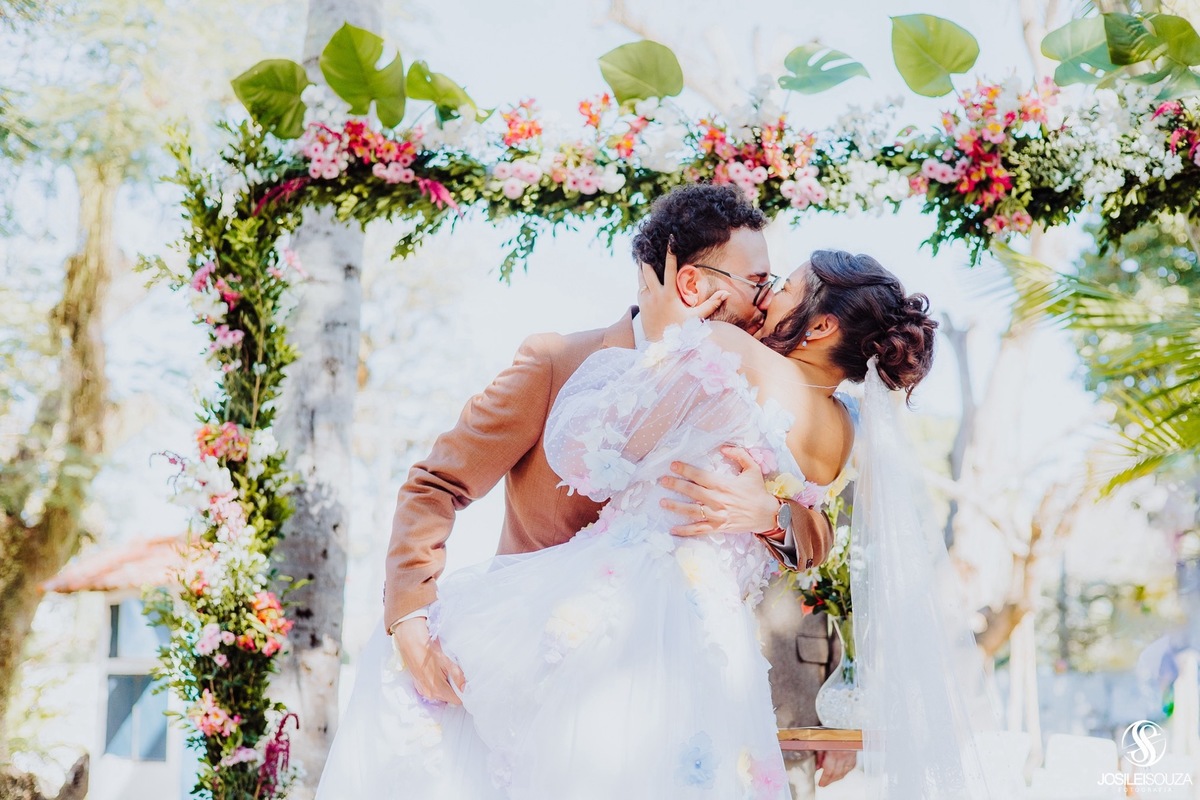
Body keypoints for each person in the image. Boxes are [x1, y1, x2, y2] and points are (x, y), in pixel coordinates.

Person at [315, 241, 939, 798]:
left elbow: (598, 453)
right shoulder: (847, 427)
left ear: (822, 323)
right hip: (710, 643)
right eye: (761, 280)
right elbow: (814, 513)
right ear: (689, 276)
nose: (767, 296)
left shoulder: (731, 352)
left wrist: (773, 512)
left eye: (784, 285)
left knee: (430, 681)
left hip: (621, 609)